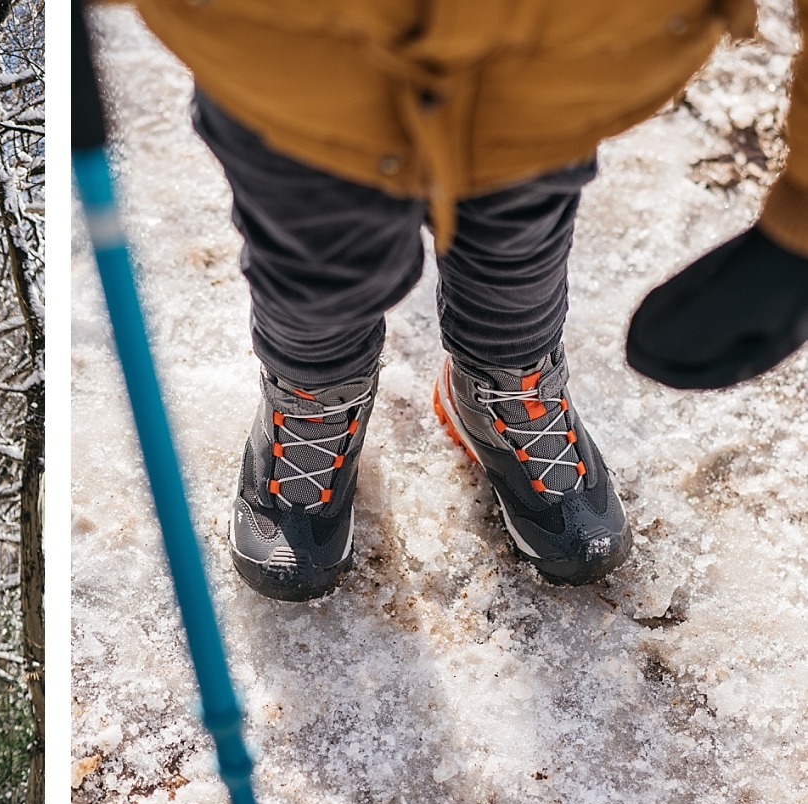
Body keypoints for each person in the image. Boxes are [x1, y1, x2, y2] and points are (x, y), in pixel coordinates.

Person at [104, 0, 808, 601]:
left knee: (519, 248)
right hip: (290, 47)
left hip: (572, 45)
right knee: (315, 265)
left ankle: (503, 387)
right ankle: (315, 394)